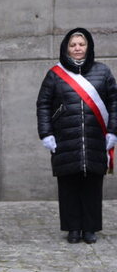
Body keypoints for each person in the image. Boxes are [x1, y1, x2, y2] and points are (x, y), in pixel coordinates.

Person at [36, 28, 117, 244]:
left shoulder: (103, 72)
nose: (77, 48)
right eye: (73, 45)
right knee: (68, 184)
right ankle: (73, 228)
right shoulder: (55, 74)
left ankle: (90, 228)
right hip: (65, 138)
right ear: (66, 48)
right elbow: (43, 104)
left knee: (92, 184)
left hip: (95, 138)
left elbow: (114, 103)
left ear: (88, 47)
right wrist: (46, 133)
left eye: (81, 44)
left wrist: (112, 131)